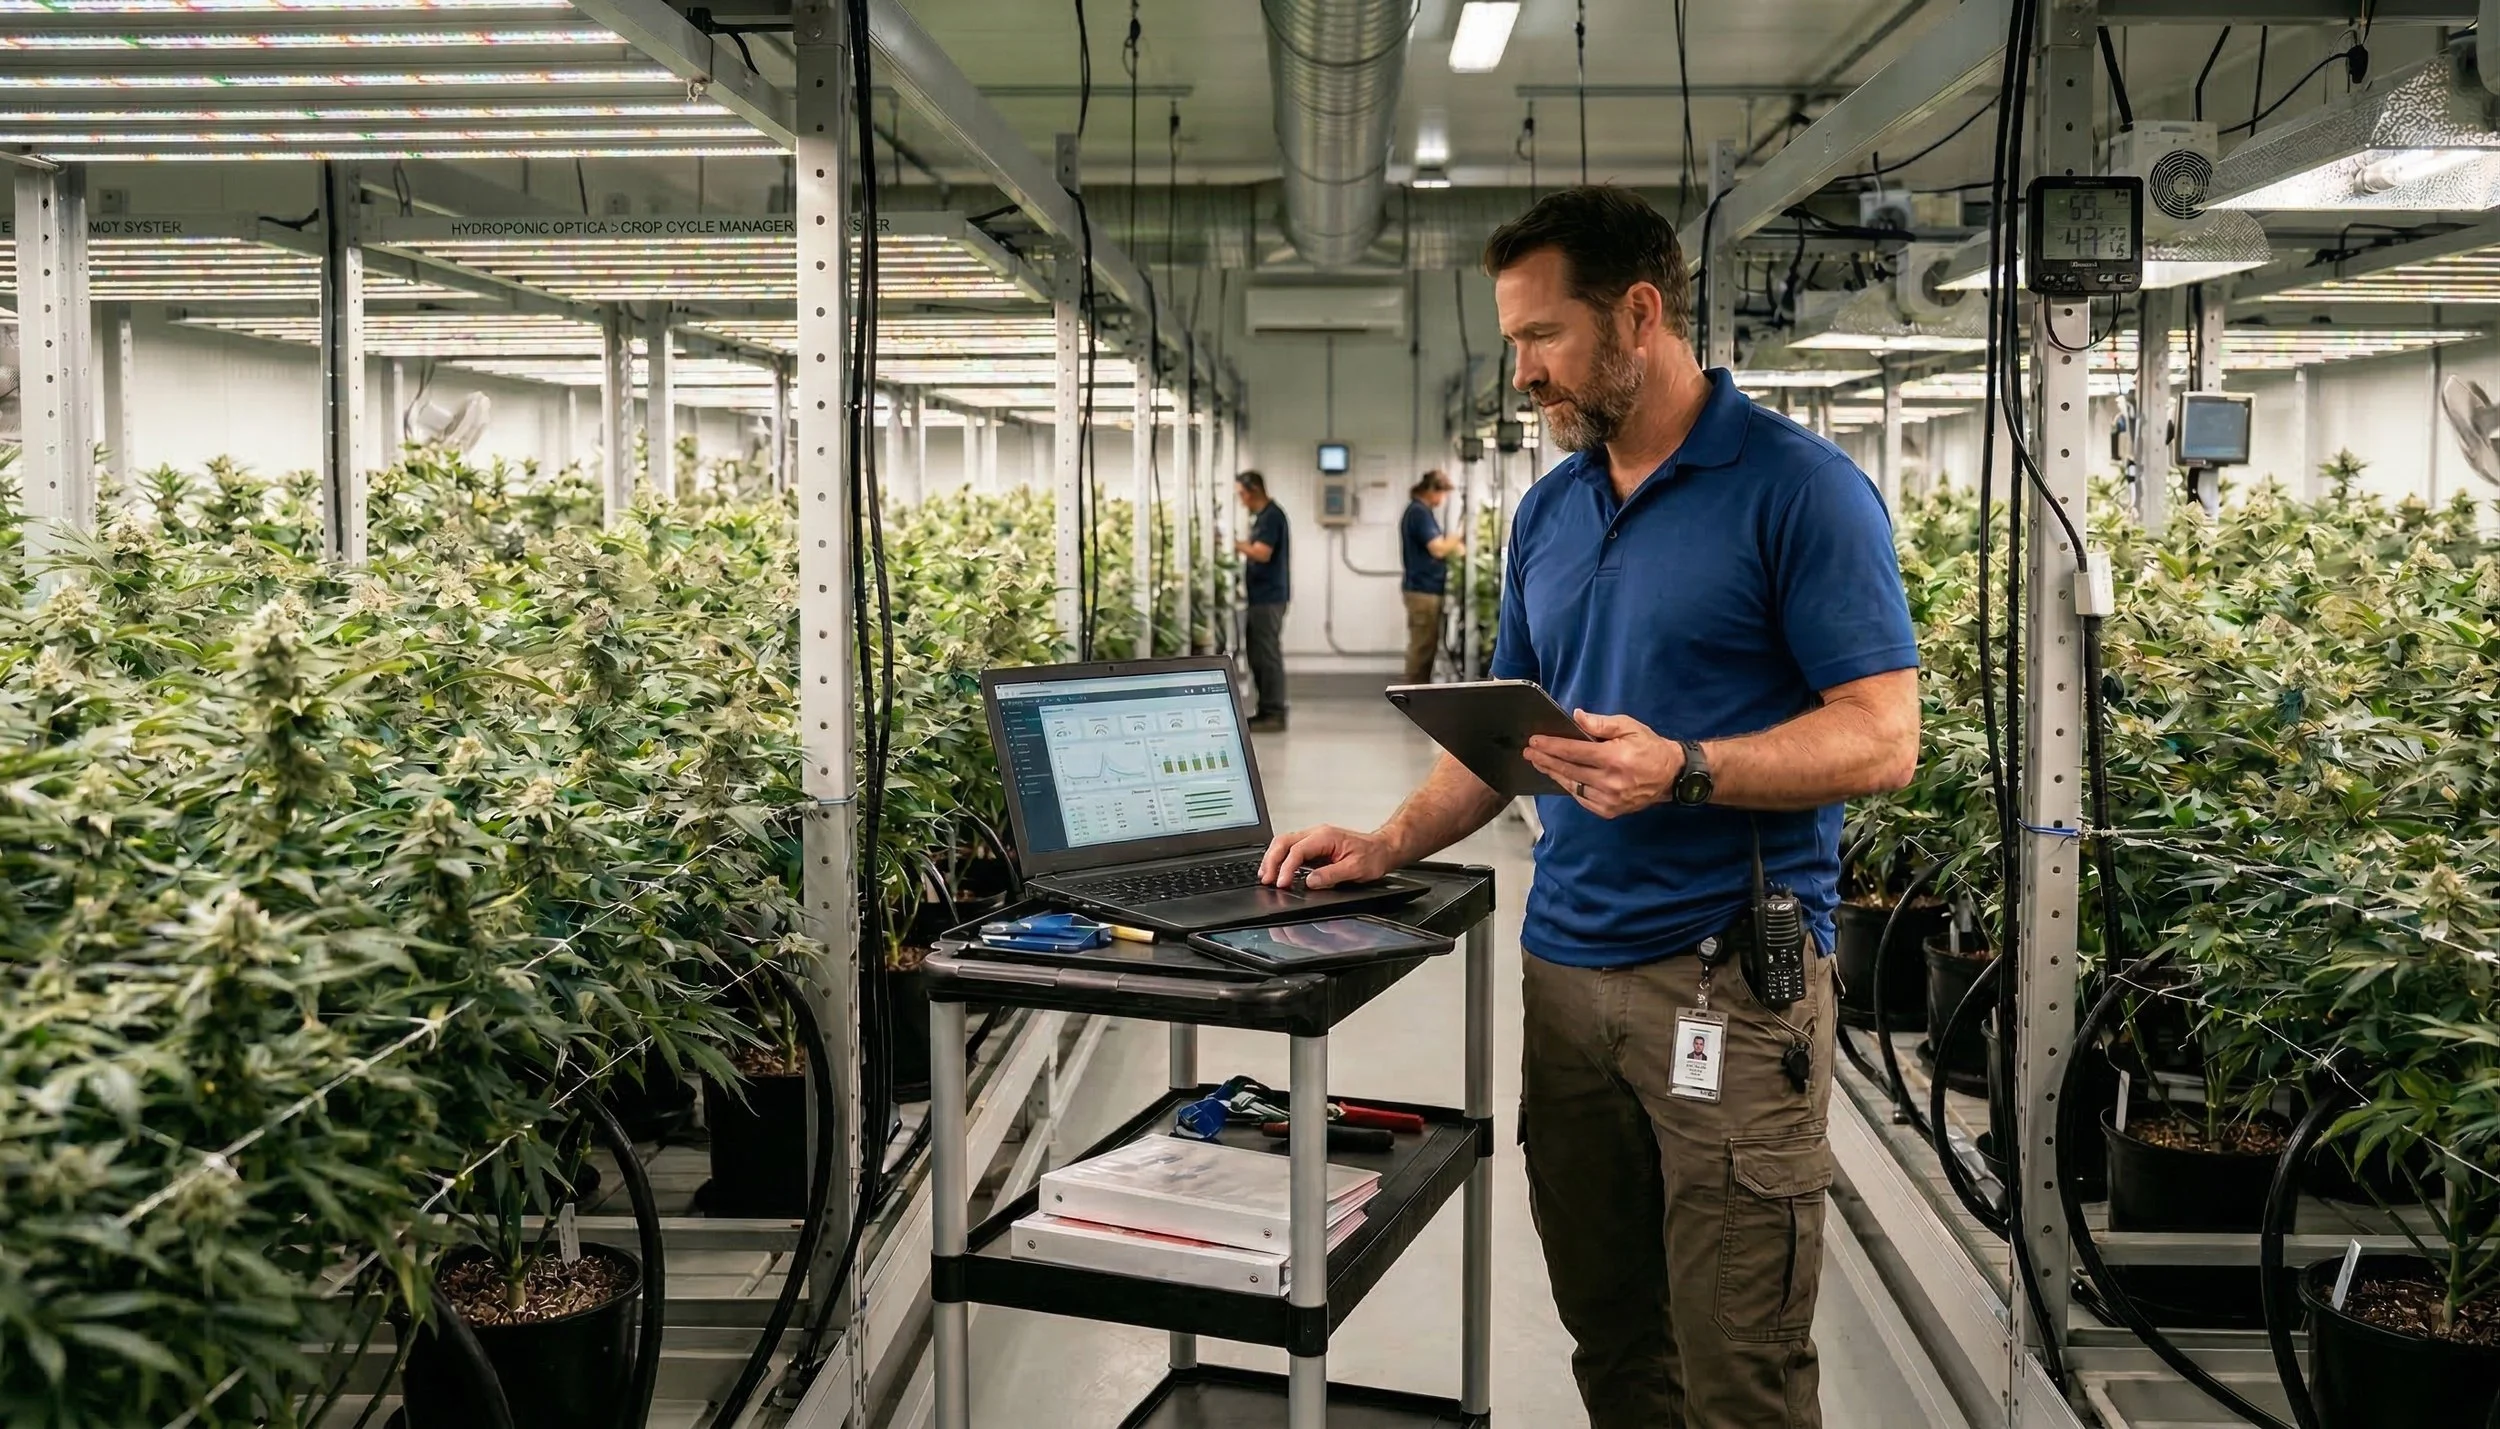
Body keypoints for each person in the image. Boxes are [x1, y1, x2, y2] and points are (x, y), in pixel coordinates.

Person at [1258, 185, 1919, 1429]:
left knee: (1741, 1368)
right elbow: (1518, 732)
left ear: (1638, 313)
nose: (1522, 373)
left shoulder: (1798, 490)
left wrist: (1689, 765)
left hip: (1723, 979)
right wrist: (1388, 837)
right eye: (1512, 343)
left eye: (1541, 338)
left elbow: (1883, 739)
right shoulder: (1549, 512)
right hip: (1562, 971)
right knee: (1612, 1337)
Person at [1235, 470, 1291, 731]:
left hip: (1269, 598)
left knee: (1267, 655)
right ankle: (1266, 709)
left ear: (1254, 490)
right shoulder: (1264, 517)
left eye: (1242, 494)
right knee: (1259, 653)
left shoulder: (1271, 517)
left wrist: (1233, 544)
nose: (1241, 500)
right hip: (1262, 597)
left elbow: (1262, 552)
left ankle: (1274, 712)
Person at [1398, 470, 1465, 684]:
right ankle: (1412, 692)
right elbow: (1437, 549)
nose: (1442, 500)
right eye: (1442, 494)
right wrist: (1457, 538)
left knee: (1426, 644)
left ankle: (1418, 688)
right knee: (1422, 646)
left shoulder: (1420, 511)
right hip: (1423, 591)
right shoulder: (1419, 513)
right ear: (1432, 490)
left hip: (1425, 589)